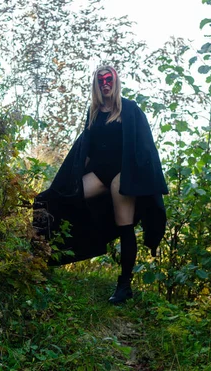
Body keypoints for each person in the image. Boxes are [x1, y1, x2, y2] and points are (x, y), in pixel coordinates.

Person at [33, 65, 168, 304]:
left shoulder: (129, 109)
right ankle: (40, 260)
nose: (105, 83)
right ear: (96, 85)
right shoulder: (94, 112)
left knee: (125, 226)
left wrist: (139, 179)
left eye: (109, 79)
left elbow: (144, 146)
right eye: (100, 80)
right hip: (99, 173)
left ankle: (124, 286)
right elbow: (86, 149)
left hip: (122, 175)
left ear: (115, 81)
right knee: (56, 200)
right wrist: (71, 178)